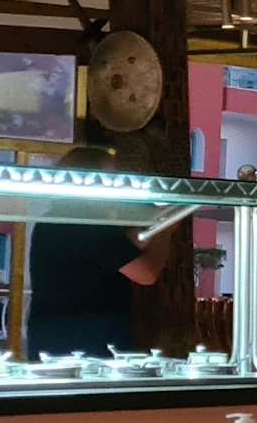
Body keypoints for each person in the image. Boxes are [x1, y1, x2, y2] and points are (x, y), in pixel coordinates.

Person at [25, 147, 168, 356]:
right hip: (91, 345)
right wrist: (166, 228)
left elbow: (126, 246)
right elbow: (146, 273)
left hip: (56, 341)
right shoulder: (88, 223)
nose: (119, 185)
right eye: (112, 178)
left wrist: (155, 223)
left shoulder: (54, 220)